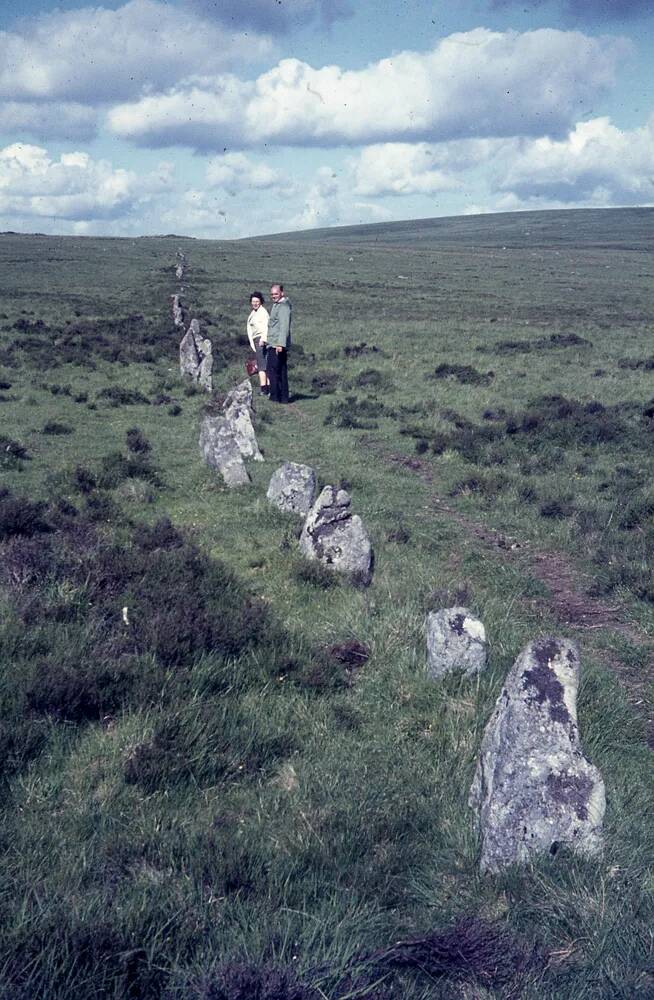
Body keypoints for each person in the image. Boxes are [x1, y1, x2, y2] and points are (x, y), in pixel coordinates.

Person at [266, 283, 291, 403]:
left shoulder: (283, 307)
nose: (273, 296)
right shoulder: (276, 305)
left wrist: (280, 344)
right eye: (272, 294)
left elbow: (284, 326)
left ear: (282, 293)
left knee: (274, 371)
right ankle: (283, 397)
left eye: (276, 294)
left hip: (277, 344)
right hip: (273, 342)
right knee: (279, 370)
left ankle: (276, 397)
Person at [246, 291, 270, 394]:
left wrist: (263, 339)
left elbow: (266, 326)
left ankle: (264, 389)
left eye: (257, 301)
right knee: (263, 364)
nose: (255, 303)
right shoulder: (254, 312)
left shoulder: (262, 312)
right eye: (253, 301)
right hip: (257, 340)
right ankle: (268, 387)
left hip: (261, 340)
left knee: (261, 366)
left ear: (260, 302)